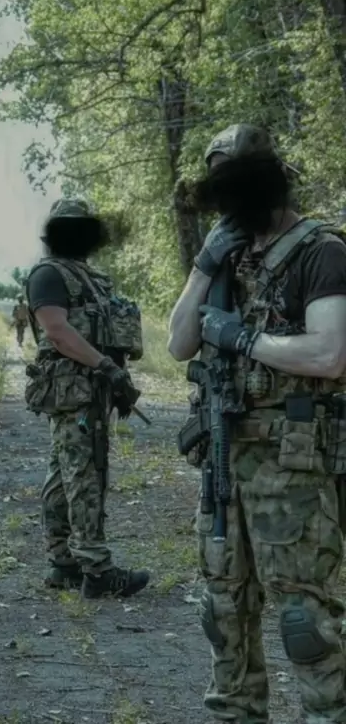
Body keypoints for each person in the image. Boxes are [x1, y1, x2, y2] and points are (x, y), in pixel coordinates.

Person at [168, 124, 346, 724]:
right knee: (222, 611)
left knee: (304, 620)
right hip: (223, 463)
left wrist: (244, 338)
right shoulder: (227, 256)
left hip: (291, 468)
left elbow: (330, 353)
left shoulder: (322, 251)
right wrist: (202, 266)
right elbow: (178, 343)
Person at [25, 197, 149, 599]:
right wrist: (106, 367)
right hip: (74, 391)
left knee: (65, 475)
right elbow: (57, 332)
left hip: (92, 390)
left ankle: (63, 563)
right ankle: (96, 569)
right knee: (86, 475)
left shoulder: (89, 279)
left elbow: (106, 335)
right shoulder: (49, 275)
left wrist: (118, 380)